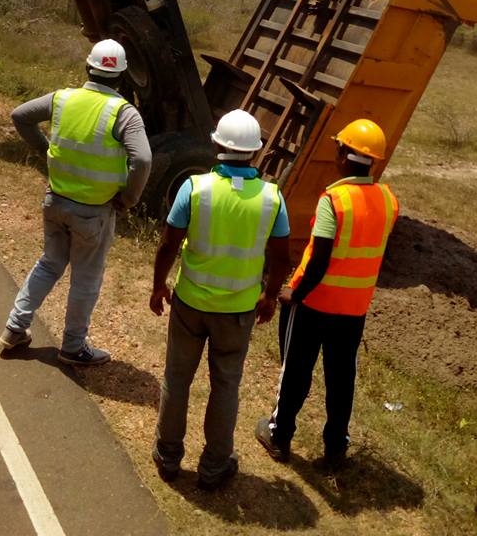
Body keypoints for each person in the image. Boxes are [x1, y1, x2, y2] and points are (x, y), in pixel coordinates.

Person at [150, 109, 290, 491]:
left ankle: (168, 455)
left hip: (191, 303)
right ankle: (214, 466)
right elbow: (282, 257)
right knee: (225, 386)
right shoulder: (271, 197)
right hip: (239, 311)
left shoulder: (195, 188)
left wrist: (158, 285)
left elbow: (169, 243)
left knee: (177, 379)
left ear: (216, 144)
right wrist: (270, 296)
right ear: (254, 153)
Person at [256, 118, 398, 469]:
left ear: (344, 155)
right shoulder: (387, 200)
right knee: (341, 376)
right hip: (354, 308)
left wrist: (295, 294)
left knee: (296, 370)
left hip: (315, 304)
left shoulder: (333, 200)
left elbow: (319, 260)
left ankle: (280, 434)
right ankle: (335, 446)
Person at [0, 39, 151, 364]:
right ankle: (72, 346)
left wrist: (44, 150)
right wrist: (128, 198)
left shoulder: (62, 99)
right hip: (93, 213)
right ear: (122, 77)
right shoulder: (125, 113)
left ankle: (15, 327)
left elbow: (20, 115)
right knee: (86, 278)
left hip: (56, 201)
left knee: (49, 263)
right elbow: (143, 161)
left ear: (88, 69)